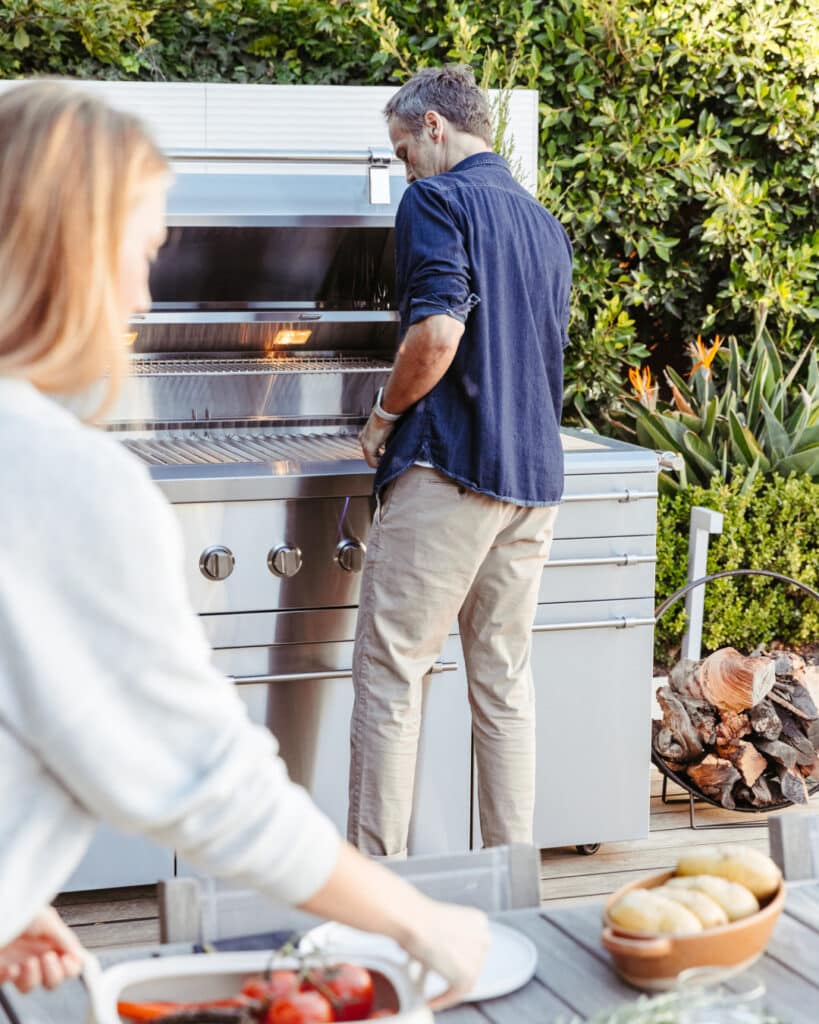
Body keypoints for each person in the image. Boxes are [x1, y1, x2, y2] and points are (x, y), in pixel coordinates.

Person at [0, 80, 487, 1004]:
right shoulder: (60, 478)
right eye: (138, 254)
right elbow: (209, 787)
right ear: (67, 253)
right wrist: (419, 922)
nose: (142, 294)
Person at [350, 65, 573, 857]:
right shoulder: (544, 223)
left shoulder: (435, 201)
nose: (403, 166)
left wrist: (382, 417)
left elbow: (437, 335)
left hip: (450, 467)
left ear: (435, 127)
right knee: (504, 685)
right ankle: (514, 886)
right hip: (531, 481)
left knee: (391, 674)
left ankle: (377, 891)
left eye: (403, 147)